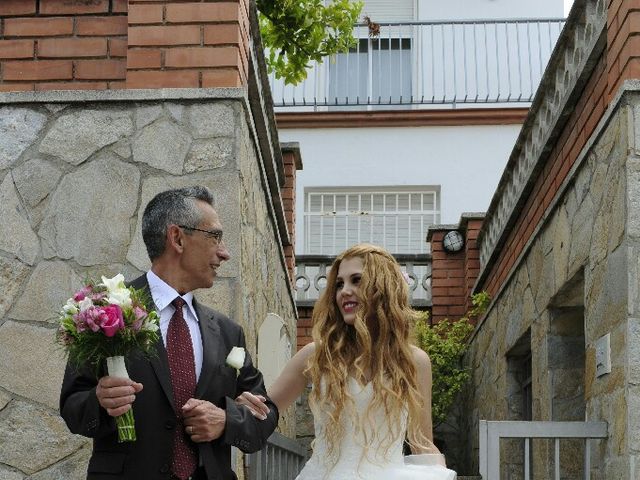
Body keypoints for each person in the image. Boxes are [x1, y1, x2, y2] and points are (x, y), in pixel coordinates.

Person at [60, 186, 277, 480]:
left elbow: (266, 413)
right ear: (177, 238)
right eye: (215, 237)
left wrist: (227, 420)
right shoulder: (105, 311)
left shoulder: (228, 332)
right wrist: (100, 402)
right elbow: (73, 407)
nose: (224, 253)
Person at [237, 244, 457, 479]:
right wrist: (240, 409)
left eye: (356, 280)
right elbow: (266, 410)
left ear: (382, 288)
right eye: (339, 284)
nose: (345, 291)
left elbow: (422, 442)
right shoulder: (316, 355)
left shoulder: (414, 361)